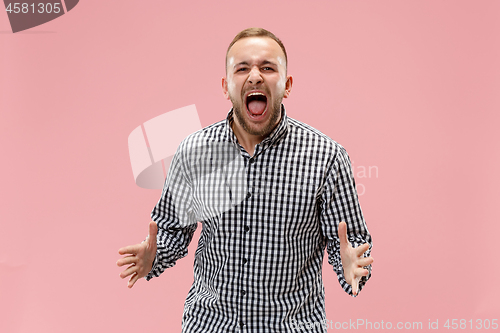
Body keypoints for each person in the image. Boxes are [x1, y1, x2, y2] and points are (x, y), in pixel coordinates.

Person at [117, 27, 373, 333]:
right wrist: (153, 256)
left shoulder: (326, 157)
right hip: (210, 325)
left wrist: (351, 268)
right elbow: (172, 230)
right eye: (242, 68)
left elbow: (350, 244)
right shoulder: (194, 151)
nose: (255, 76)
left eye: (267, 67)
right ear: (226, 87)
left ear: (287, 85)